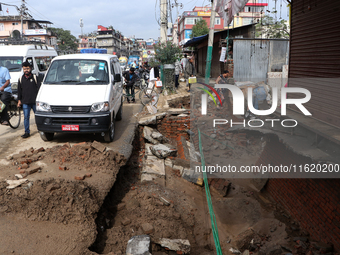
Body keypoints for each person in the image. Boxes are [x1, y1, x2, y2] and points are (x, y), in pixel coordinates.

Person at [17, 61, 41, 138]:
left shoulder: (34, 77)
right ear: (23, 69)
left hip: (34, 102)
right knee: (26, 117)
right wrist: (19, 101)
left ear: (30, 68)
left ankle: (41, 130)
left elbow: (39, 89)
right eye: (24, 69)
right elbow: (19, 91)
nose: (26, 70)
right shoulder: (21, 79)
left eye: (27, 68)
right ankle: (27, 132)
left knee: (37, 116)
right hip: (25, 102)